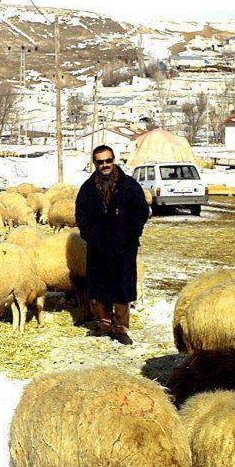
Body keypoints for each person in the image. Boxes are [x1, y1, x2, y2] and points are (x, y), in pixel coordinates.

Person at [74, 144, 149, 344]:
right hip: (98, 246)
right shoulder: (88, 189)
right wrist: (90, 236)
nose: (105, 165)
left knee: (122, 286)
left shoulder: (129, 186)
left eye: (108, 161)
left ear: (113, 160)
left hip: (123, 246)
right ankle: (102, 323)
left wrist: (132, 234)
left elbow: (141, 211)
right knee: (99, 286)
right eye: (100, 162)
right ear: (95, 164)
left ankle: (121, 328)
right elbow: (81, 216)